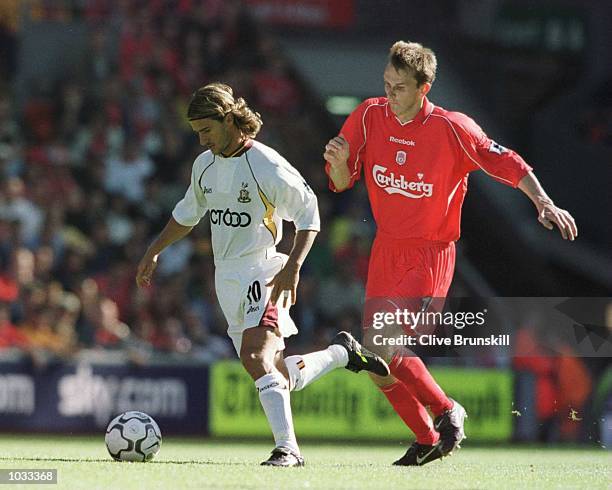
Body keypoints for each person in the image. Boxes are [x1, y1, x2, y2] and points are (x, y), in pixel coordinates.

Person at [324, 41, 577, 466]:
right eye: (386, 84)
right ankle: (426, 437)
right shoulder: (368, 115)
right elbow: (343, 178)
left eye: (400, 88)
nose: (390, 94)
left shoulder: (452, 128)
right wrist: (336, 164)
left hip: (430, 255)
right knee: (373, 360)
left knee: (381, 343)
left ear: (425, 87)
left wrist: (543, 201)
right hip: (386, 249)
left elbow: (507, 161)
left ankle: (445, 410)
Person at [136, 83, 389, 467]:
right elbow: (187, 214)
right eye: (197, 133)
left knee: (256, 356)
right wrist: (154, 250)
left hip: (265, 269)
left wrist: (293, 267)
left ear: (228, 120)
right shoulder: (204, 165)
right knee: (277, 373)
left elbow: (310, 214)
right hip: (228, 279)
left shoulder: (267, 165)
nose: (202, 140)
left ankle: (288, 450)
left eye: (206, 130)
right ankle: (342, 353)